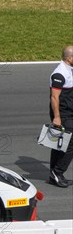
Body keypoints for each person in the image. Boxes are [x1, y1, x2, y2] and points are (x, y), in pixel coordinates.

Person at [48, 45, 73, 188]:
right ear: (69, 58)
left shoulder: (69, 69)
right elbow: (54, 98)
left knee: (58, 143)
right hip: (63, 113)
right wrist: (57, 117)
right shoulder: (59, 74)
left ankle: (53, 174)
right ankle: (58, 172)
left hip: (69, 111)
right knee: (70, 143)